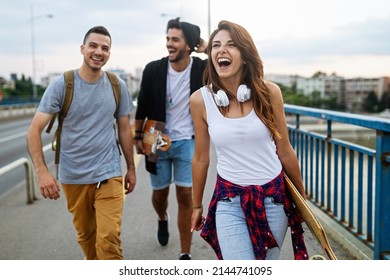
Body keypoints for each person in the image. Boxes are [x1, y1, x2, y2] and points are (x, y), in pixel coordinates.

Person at [190, 20, 309, 260]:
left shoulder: (269, 93)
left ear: (245, 56)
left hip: (274, 199)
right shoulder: (200, 101)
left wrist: (303, 201)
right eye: (216, 45)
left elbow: (284, 149)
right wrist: (196, 205)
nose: (221, 50)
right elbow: (201, 158)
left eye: (231, 45)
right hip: (229, 200)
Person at [27, 26, 136, 260]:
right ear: (82, 49)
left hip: (109, 173)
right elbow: (34, 130)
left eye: (105, 48)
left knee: (108, 240)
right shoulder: (62, 85)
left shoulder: (118, 86)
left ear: (109, 53)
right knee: (87, 238)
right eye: (94, 46)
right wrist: (41, 172)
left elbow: (125, 130)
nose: (99, 52)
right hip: (74, 177)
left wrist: (131, 168)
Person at [134, 17, 207, 260]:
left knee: (186, 196)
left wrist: (206, 47)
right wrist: (137, 137)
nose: (169, 44)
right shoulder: (153, 69)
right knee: (160, 194)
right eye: (168, 38)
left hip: (188, 141)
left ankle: (185, 253)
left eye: (175, 39)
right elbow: (142, 106)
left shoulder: (200, 68)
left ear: (189, 45)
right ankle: (162, 217)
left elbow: (231, 61)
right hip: (156, 139)